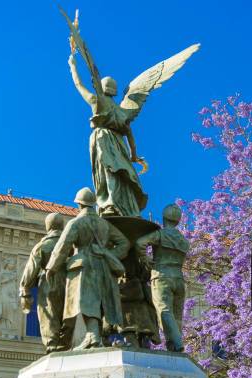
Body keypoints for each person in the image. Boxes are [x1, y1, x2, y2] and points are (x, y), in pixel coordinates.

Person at [46, 187, 129, 349]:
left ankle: (92, 335)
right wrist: (108, 253)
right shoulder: (104, 225)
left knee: (86, 302)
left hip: (84, 267)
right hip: (104, 266)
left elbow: (62, 247)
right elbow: (124, 243)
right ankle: (95, 336)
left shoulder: (76, 223)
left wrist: (52, 267)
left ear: (79, 205)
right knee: (100, 301)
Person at [68, 55, 147, 217]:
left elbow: (79, 84)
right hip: (119, 143)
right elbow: (130, 135)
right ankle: (123, 206)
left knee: (106, 171)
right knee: (120, 174)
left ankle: (109, 203)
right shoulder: (122, 111)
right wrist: (133, 156)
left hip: (101, 139)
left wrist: (73, 66)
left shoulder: (96, 101)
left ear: (102, 88)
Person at [135, 204, 189, 352]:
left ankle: (177, 343)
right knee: (177, 314)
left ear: (164, 218)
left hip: (161, 276)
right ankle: (172, 345)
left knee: (164, 310)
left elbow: (139, 243)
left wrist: (145, 259)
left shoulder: (160, 234)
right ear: (178, 221)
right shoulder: (184, 241)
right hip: (178, 278)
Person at [19, 213, 70, 353]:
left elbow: (31, 270)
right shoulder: (71, 244)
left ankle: (52, 344)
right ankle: (66, 343)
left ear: (48, 226)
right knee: (67, 315)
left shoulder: (42, 246)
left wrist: (25, 289)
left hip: (49, 283)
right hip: (70, 284)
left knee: (49, 313)